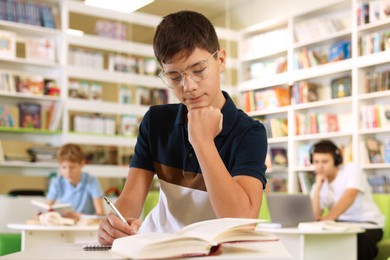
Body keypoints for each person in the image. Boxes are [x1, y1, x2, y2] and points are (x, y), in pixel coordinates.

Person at [98, 10, 268, 245]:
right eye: (174, 77)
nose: (188, 86)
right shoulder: (155, 121)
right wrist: (114, 225)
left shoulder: (250, 132)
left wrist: (202, 141)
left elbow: (243, 222)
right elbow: (130, 201)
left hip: (214, 251)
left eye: (198, 70)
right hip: (158, 246)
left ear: (220, 60)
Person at [309, 139, 384, 260]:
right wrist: (318, 186)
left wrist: (327, 219)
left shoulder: (351, 169)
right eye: (316, 162)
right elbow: (315, 214)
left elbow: (350, 196)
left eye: (324, 161)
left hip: (367, 224)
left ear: (336, 160)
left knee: (359, 242)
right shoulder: (320, 183)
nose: (320, 166)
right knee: (316, 243)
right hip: (340, 225)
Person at [46, 143, 105, 220]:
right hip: (65, 223)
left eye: (72, 167)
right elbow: (47, 208)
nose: (68, 171)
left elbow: (100, 213)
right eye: (64, 167)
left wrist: (81, 216)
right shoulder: (57, 182)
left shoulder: (91, 181)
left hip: (86, 224)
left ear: (82, 164)